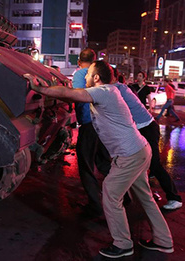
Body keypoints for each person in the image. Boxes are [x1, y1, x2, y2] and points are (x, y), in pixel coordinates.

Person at [24, 61, 173, 259]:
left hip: (130, 155)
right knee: (144, 197)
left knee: (111, 194)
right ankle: (163, 241)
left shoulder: (104, 91)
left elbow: (71, 94)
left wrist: (39, 88)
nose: (84, 78)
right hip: (139, 150)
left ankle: (122, 244)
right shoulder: (111, 90)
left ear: (96, 78)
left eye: (87, 75)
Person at [111, 72, 183, 211]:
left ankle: (174, 197)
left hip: (147, 128)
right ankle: (145, 194)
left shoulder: (117, 89)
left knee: (154, 165)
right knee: (140, 164)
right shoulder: (121, 88)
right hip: (140, 128)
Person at [72, 48, 111, 217]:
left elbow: (77, 96)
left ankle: (95, 204)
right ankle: (125, 196)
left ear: (79, 61)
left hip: (89, 124)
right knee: (103, 162)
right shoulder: (102, 72)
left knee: (86, 164)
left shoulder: (80, 74)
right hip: (103, 123)